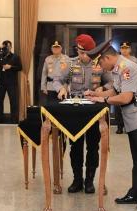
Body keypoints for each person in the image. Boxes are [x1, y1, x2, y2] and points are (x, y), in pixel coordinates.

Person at [85, 40, 137, 210]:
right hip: (135, 118)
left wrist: (104, 99)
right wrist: (95, 94)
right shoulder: (118, 69)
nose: (100, 67)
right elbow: (116, 91)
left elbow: (125, 97)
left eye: (100, 62)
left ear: (107, 58)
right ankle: (136, 194)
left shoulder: (127, 68)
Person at [58, 34, 112, 194]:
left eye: (84, 53)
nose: (81, 56)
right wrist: (62, 87)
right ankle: (77, 180)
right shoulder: (71, 63)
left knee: (93, 146)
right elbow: (59, 80)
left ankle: (89, 180)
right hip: (75, 109)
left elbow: (111, 82)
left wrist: (102, 88)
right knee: (75, 145)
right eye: (79, 52)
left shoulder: (100, 64)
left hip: (93, 111)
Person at [0, 40, 22, 123]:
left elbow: (20, 67)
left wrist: (10, 67)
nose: (6, 48)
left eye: (8, 46)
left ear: (11, 47)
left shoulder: (15, 56)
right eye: (4, 46)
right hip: (1, 82)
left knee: (13, 101)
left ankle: (14, 118)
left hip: (12, 83)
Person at [115, 41, 137, 134]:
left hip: (131, 86)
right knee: (118, 108)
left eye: (126, 48)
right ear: (120, 50)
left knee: (130, 107)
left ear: (130, 49)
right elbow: (115, 73)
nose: (124, 50)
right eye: (122, 48)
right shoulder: (117, 60)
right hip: (120, 86)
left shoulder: (134, 60)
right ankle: (119, 126)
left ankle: (129, 126)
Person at [40, 40, 69, 105]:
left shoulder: (66, 59)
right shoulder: (48, 59)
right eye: (54, 47)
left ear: (61, 48)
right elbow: (44, 73)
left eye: (58, 47)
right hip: (51, 86)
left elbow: (69, 74)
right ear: (51, 49)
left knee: (63, 107)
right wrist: (44, 87)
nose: (56, 49)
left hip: (62, 86)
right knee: (51, 106)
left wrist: (67, 86)